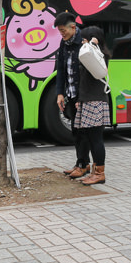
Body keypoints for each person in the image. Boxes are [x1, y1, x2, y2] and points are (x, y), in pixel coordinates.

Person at [53, 14, 110, 185]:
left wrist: (81, 98)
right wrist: (61, 92)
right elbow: (62, 70)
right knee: (79, 133)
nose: (61, 35)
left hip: (89, 99)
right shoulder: (67, 44)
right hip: (80, 97)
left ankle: (96, 171)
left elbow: (87, 79)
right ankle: (83, 164)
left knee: (92, 137)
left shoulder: (92, 53)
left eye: (63, 31)